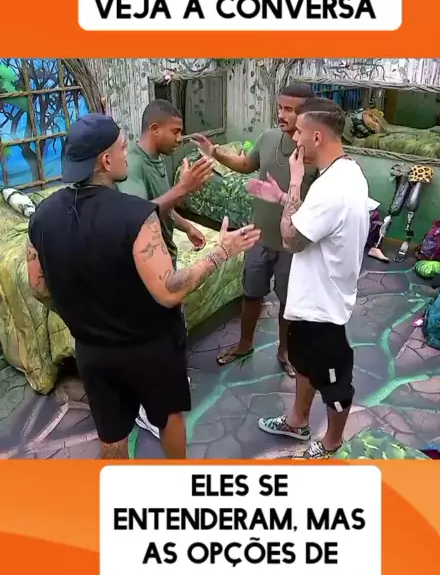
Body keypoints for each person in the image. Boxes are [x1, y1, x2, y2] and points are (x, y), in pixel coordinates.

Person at [26, 114, 260, 460]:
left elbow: (38, 287)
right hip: (151, 349)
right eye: (122, 148)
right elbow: (169, 290)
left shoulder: (41, 216)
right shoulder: (136, 215)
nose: (127, 154)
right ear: (106, 161)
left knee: (111, 436)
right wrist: (221, 252)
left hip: (92, 351)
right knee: (169, 418)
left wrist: (80, 314)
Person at [247, 97, 369, 459]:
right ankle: (298, 421)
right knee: (304, 362)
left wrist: (295, 184)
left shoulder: (330, 188)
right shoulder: (346, 171)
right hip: (314, 299)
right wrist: (283, 197)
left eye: (299, 131)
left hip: (323, 306)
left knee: (334, 380)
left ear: (317, 136)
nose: (295, 138)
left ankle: (332, 442)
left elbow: (291, 238)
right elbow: (316, 223)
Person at [192, 82, 317, 376]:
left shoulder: (315, 152)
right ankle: (244, 344)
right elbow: (246, 164)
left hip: (292, 245)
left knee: (289, 303)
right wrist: (215, 152)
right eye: (280, 107)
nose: (282, 114)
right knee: (251, 294)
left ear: (307, 114)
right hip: (258, 236)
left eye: (290, 110)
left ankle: (285, 352)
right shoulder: (269, 137)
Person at [118, 99, 214, 437]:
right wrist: (183, 188)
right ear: (154, 129)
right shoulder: (133, 164)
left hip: (165, 255)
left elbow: (163, 204)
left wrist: (185, 226)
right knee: (152, 336)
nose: (179, 138)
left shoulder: (158, 160)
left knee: (170, 326)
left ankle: (166, 381)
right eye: (175, 131)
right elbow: (136, 213)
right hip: (147, 265)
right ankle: (148, 408)